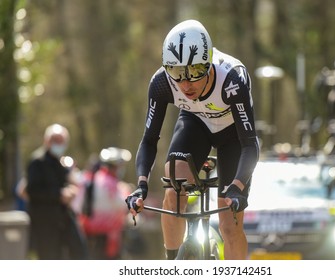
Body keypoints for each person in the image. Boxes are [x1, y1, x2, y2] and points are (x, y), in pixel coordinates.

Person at [125, 19, 260, 260]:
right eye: (177, 73)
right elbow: (148, 140)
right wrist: (141, 185)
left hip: (233, 135)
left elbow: (250, 144)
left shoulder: (232, 79)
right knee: (174, 186)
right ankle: (173, 262)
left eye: (195, 72)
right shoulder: (161, 83)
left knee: (229, 224)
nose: (186, 83)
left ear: (208, 64)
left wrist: (238, 188)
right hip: (195, 123)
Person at [25, 123, 88, 259]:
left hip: (64, 218)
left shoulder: (61, 163)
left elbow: (68, 182)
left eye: (62, 141)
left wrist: (71, 189)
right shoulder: (37, 162)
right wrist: (58, 195)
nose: (59, 145)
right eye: (56, 141)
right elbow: (32, 191)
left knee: (80, 254)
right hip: (45, 222)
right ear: (47, 141)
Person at [79, 147, 133, 259]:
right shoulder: (109, 182)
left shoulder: (97, 177)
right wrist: (129, 194)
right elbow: (121, 204)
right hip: (105, 234)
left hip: (93, 231)